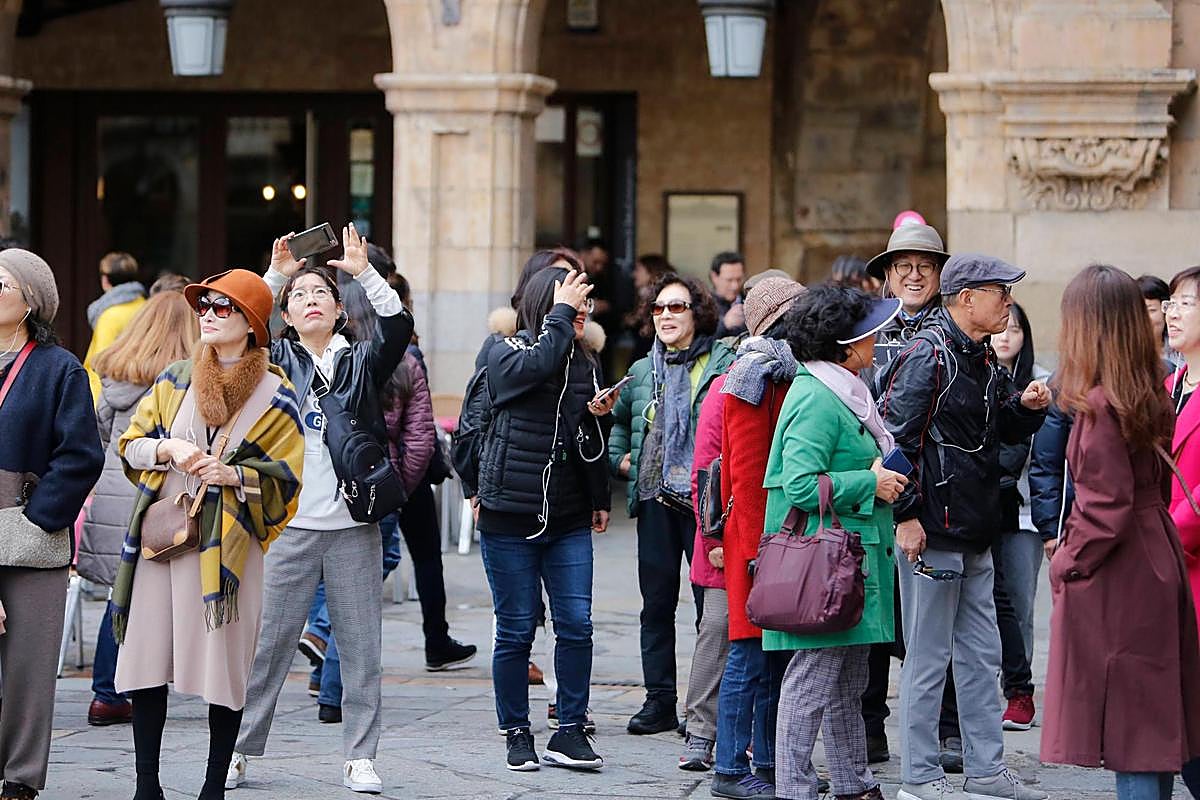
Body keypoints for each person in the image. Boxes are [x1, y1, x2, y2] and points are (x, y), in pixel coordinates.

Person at [228, 225, 414, 795]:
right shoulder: (274, 360)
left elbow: (397, 326)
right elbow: (239, 326)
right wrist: (275, 276)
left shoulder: (361, 362)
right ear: (286, 314)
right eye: (299, 296)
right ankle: (238, 748)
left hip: (353, 525)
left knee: (361, 648)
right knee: (268, 646)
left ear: (338, 311)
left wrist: (365, 273)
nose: (310, 300)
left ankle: (360, 756)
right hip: (288, 526)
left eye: (321, 294)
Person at [110, 268, 304, 800]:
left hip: (230, 547)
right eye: (204, 306)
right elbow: (130, 445)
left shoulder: (277, 393)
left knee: (225, 666)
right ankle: (146, 786)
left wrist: (233, 475)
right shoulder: (176, 377)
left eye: (223, 307)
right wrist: (167, 449)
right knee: (147, 657)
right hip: (163, 538)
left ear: (252, 323)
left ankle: (213, 786)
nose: (208, 316)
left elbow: (287, 480)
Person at [877, 254, 1049, 800]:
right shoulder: (927, 354)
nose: (1008, 302)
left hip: (976, 530)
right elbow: (894, 444)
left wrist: (1027, 407)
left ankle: (987, 770)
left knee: (980, 657)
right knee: (928, 660)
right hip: (932, 531)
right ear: (967, 298)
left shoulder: (979, 355)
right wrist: (906, 517)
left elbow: (996, 428)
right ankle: (919, 777)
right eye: (1001, 292)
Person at [1042, 263, 1200, 800]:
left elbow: (1105, 509)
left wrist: (1065, 564)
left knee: (1135, 734)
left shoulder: (1102, 403)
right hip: (1153, 555)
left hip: (1124, 571)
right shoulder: (1148, 390)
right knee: (1153, 725)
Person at [306, 250, 476, 722]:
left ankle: (325, 664)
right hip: (381, 486)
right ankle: (330, 669)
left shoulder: (352, 359)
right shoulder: (374, 360)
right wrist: (394, 487)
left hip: (350, 487)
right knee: (361, 588)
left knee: (340, 582)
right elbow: (420, 435)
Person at [764, 284, 906, 800]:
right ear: (845, 346)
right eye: (868, 334)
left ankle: (853, 782)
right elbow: (799, 485)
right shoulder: (817, 397)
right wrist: (870, 482)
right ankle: (794, 788)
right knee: (812, 680)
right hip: (827, 567)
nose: (876, 340)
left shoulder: (841, 389)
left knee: (847, 680)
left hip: (847, 562)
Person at [476, 267, 611, 772]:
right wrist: (474, 486)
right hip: (509, 513)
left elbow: (585, 442)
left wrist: (599, 421)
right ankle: (516, 731)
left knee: (576, 624)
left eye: (584, 304)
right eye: (571, 302)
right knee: (515, 630)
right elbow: (523, 375)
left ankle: (570, 730)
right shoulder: (503, 349)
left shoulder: (585, 362)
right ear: (545, 304)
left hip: (569, 514)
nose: (581, 312)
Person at [610, 273, 737, 736]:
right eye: (659, 308)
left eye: (677, 307)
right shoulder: (642, 370)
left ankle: (707, 708)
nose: (666, 315)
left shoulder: (722, 362)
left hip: (707, 502)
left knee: (711, 609)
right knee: (657, 605)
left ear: (697, 313)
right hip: (655, 497)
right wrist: (621, 460)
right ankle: (659, 701)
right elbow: (619, 423)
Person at [0, 249, 105, 800]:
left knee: (29, 663)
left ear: (30, 301)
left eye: (2, 284)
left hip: (31, 531)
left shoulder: (59, 367)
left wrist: (38, 517)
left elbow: (82, 455)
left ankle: (19, 776)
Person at [703, 277, 806, 800]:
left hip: (770, 537)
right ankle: (728, 768)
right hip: (755, 538)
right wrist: (765, 547)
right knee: (747, 655)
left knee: (772, 657)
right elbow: (745, 476)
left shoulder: (781, 371)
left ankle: (766, 762)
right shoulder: (752, 376)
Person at [77, 291, 199, 728]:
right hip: (160, 505)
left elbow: (96, 440)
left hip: (113, 501)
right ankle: (134, 687)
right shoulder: (186, 383)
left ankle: (106, 693)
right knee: (155, 598)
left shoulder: (116, 377)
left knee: (121, 594)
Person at [859, 220, 951, 766]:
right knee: (874, 615)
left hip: (937, 492)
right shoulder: (867, 329)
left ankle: (946, 729)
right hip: (875, 489)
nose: (914, 276)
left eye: (925, 267)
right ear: (889, 276)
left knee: (938, 620)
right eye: (904, 267)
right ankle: (870, 725)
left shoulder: (953, 329)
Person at [990, 302, 1049, 733]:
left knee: (1017, 601)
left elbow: (1039, 454)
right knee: (987, 603)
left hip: (1024, 511)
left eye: (1015, 329)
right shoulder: (977, 374)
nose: (1006, 336)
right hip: (985, 507)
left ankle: (1018, 688)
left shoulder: (1041, 382)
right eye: (1001, 328)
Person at [1163, 264, 1200, 795]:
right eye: (1171, 303)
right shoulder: (1170, 385)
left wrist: (1158, 538)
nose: (1172, 313)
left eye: (1186, 303)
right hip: (1166, 567)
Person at [84, 251, 147, 402]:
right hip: (143, 391)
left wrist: (94, 406)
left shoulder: (109, 316)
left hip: (112, 397)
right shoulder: (146, 307)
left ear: (105, 280)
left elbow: (99, 366)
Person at [628, 254, 673, 363]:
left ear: (651, 272)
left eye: (638, 270)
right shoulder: (643, 297)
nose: (634, 274)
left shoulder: (657, 300)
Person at [1140, 274, 1181, 369]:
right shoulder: (1124, 352)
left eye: (1151, 310)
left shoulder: (1182, 349)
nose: (1144, 318)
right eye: (1138, 311)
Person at [711, 252, 748, 338]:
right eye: (729, 280)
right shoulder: (703, 306)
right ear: (714, 277)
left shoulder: (750, 301)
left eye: (739, 279)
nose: (735, 286)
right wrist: (724, 325)